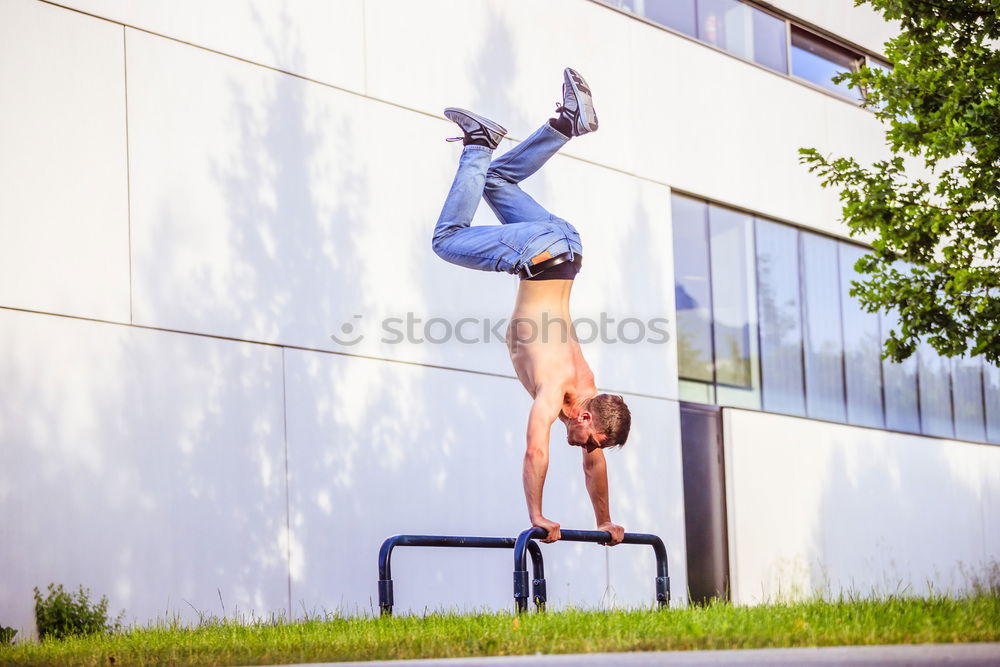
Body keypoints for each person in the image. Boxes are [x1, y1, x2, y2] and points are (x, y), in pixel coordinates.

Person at [431, 68, 632, 546]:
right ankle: (479, 141)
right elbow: (534, 450)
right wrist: (538, 514)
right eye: (589, 442)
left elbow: (594, 463)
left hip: (566, 248)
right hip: (537, 254)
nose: (585, 451)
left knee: (496, 180)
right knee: (447, 239)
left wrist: (605, 520)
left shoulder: (589, 394)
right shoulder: (559, 388)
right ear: (586, 419)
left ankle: (567, 122)